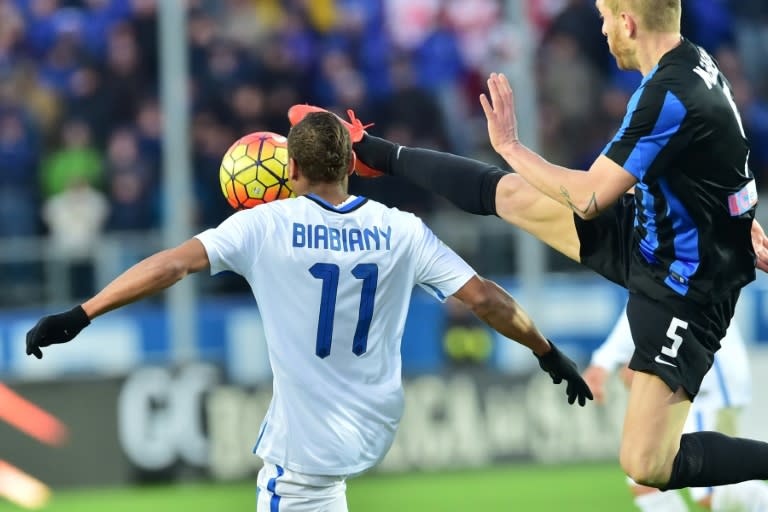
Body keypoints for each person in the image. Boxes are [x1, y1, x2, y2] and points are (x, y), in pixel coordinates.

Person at [288, 0, 768, 492]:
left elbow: (587, 199)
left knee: (646, 463)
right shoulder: (693, 63)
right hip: (651, 234)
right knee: (513, 195)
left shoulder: (670, 91)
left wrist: (512, 146)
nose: (601, 29)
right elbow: (724, 153)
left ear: (628, 22)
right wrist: (739, 221)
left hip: (686, 286)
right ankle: (374, 153)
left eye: (605, 17)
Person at [25, 112, 592, 512]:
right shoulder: (401, 230)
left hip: (304, 449)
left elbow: (170, 266)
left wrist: (83, 311)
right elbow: (486, 298)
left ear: (289, 170)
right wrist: (547, 352)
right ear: (351, 166)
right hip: (374, 425)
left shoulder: (262, 226)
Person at [584, 304, 768, 511]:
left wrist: (604, 362)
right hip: (687, 385)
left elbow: (657, 304)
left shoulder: (675, 279)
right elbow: (644, 307)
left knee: (713, 493)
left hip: (707, 386)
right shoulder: (651, 284)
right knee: (644, 476)